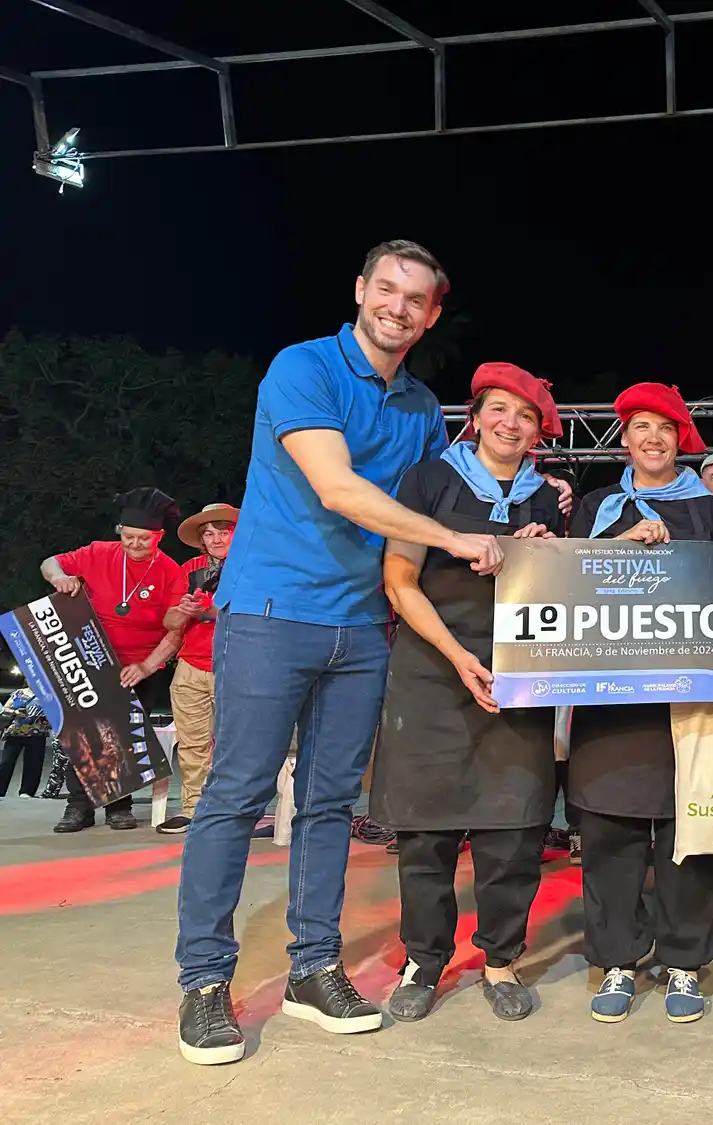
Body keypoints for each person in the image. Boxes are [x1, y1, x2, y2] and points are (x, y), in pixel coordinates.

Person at [173, 241, 509, 1067]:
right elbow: (338, 487)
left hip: (362, 625)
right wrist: (456, 536)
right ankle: (205, 982)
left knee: (330, 804)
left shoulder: (424, 405)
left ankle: (312, 969)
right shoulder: (304, 367)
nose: (398, 306)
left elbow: (439, 498)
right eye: (385, 289)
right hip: (272, 609)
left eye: (416, 298)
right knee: (236, 792)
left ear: (432, 315)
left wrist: (527, 522)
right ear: (361, 290)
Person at [373, 363, 566, 1024]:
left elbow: (558, 592)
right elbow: (400, 579)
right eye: (500, 410)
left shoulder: (548, 497)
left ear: (539, 431)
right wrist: (458, 658)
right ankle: (423, 960)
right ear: (476, 414)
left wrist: (547, 555)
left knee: (512, 830)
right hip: (432, 670)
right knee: (426, 834)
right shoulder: (427, 479)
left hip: (519, 677)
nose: (511, 424)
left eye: (526, 415)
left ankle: (501, 958)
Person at [568, 381, 713, 1025]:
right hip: (611, 694)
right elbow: (566, 578)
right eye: (639, 426)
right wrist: (615, 547)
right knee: (611, 828)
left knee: (689, 832)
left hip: (690, 692)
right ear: (624, 438)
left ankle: (685, 961)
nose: (652, 438)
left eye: (665, 427)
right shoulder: (595, 505)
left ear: (681, 438)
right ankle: (618, 960)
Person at [41, 487, 187, 833]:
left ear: (160, 536)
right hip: (88, 656)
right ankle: (78, 806)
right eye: (129, 536)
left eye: (144, 539)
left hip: (138, 666)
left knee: (125, 735)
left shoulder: (170, 572)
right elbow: (51, 562)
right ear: (120, 531)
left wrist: (148, 667)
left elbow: (176, 630)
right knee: (83, 733)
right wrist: (59, 578)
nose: (135, 544)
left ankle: (120, 806)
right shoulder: (98, 552)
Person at [157, 504, 239, 834]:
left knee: (237, 744)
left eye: (224, 531)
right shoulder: (189, 568)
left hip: (237, 665)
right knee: (192, 745)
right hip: (191, 665)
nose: (216, 538)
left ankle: (232, 812)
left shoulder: (254, 566)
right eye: (209, 533)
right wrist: (186, 609)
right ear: (201, 540)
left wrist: (211, 612)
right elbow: (170, 622)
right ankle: (194, 810)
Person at [0, 686, 50, 799]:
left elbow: (54, 711)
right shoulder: (19, 693)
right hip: (15, 731)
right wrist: (15, 712)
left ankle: (27, 791)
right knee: (6, 762)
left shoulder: (47, 693)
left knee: (33, 763)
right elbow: (5, 708)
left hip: (37, 732)